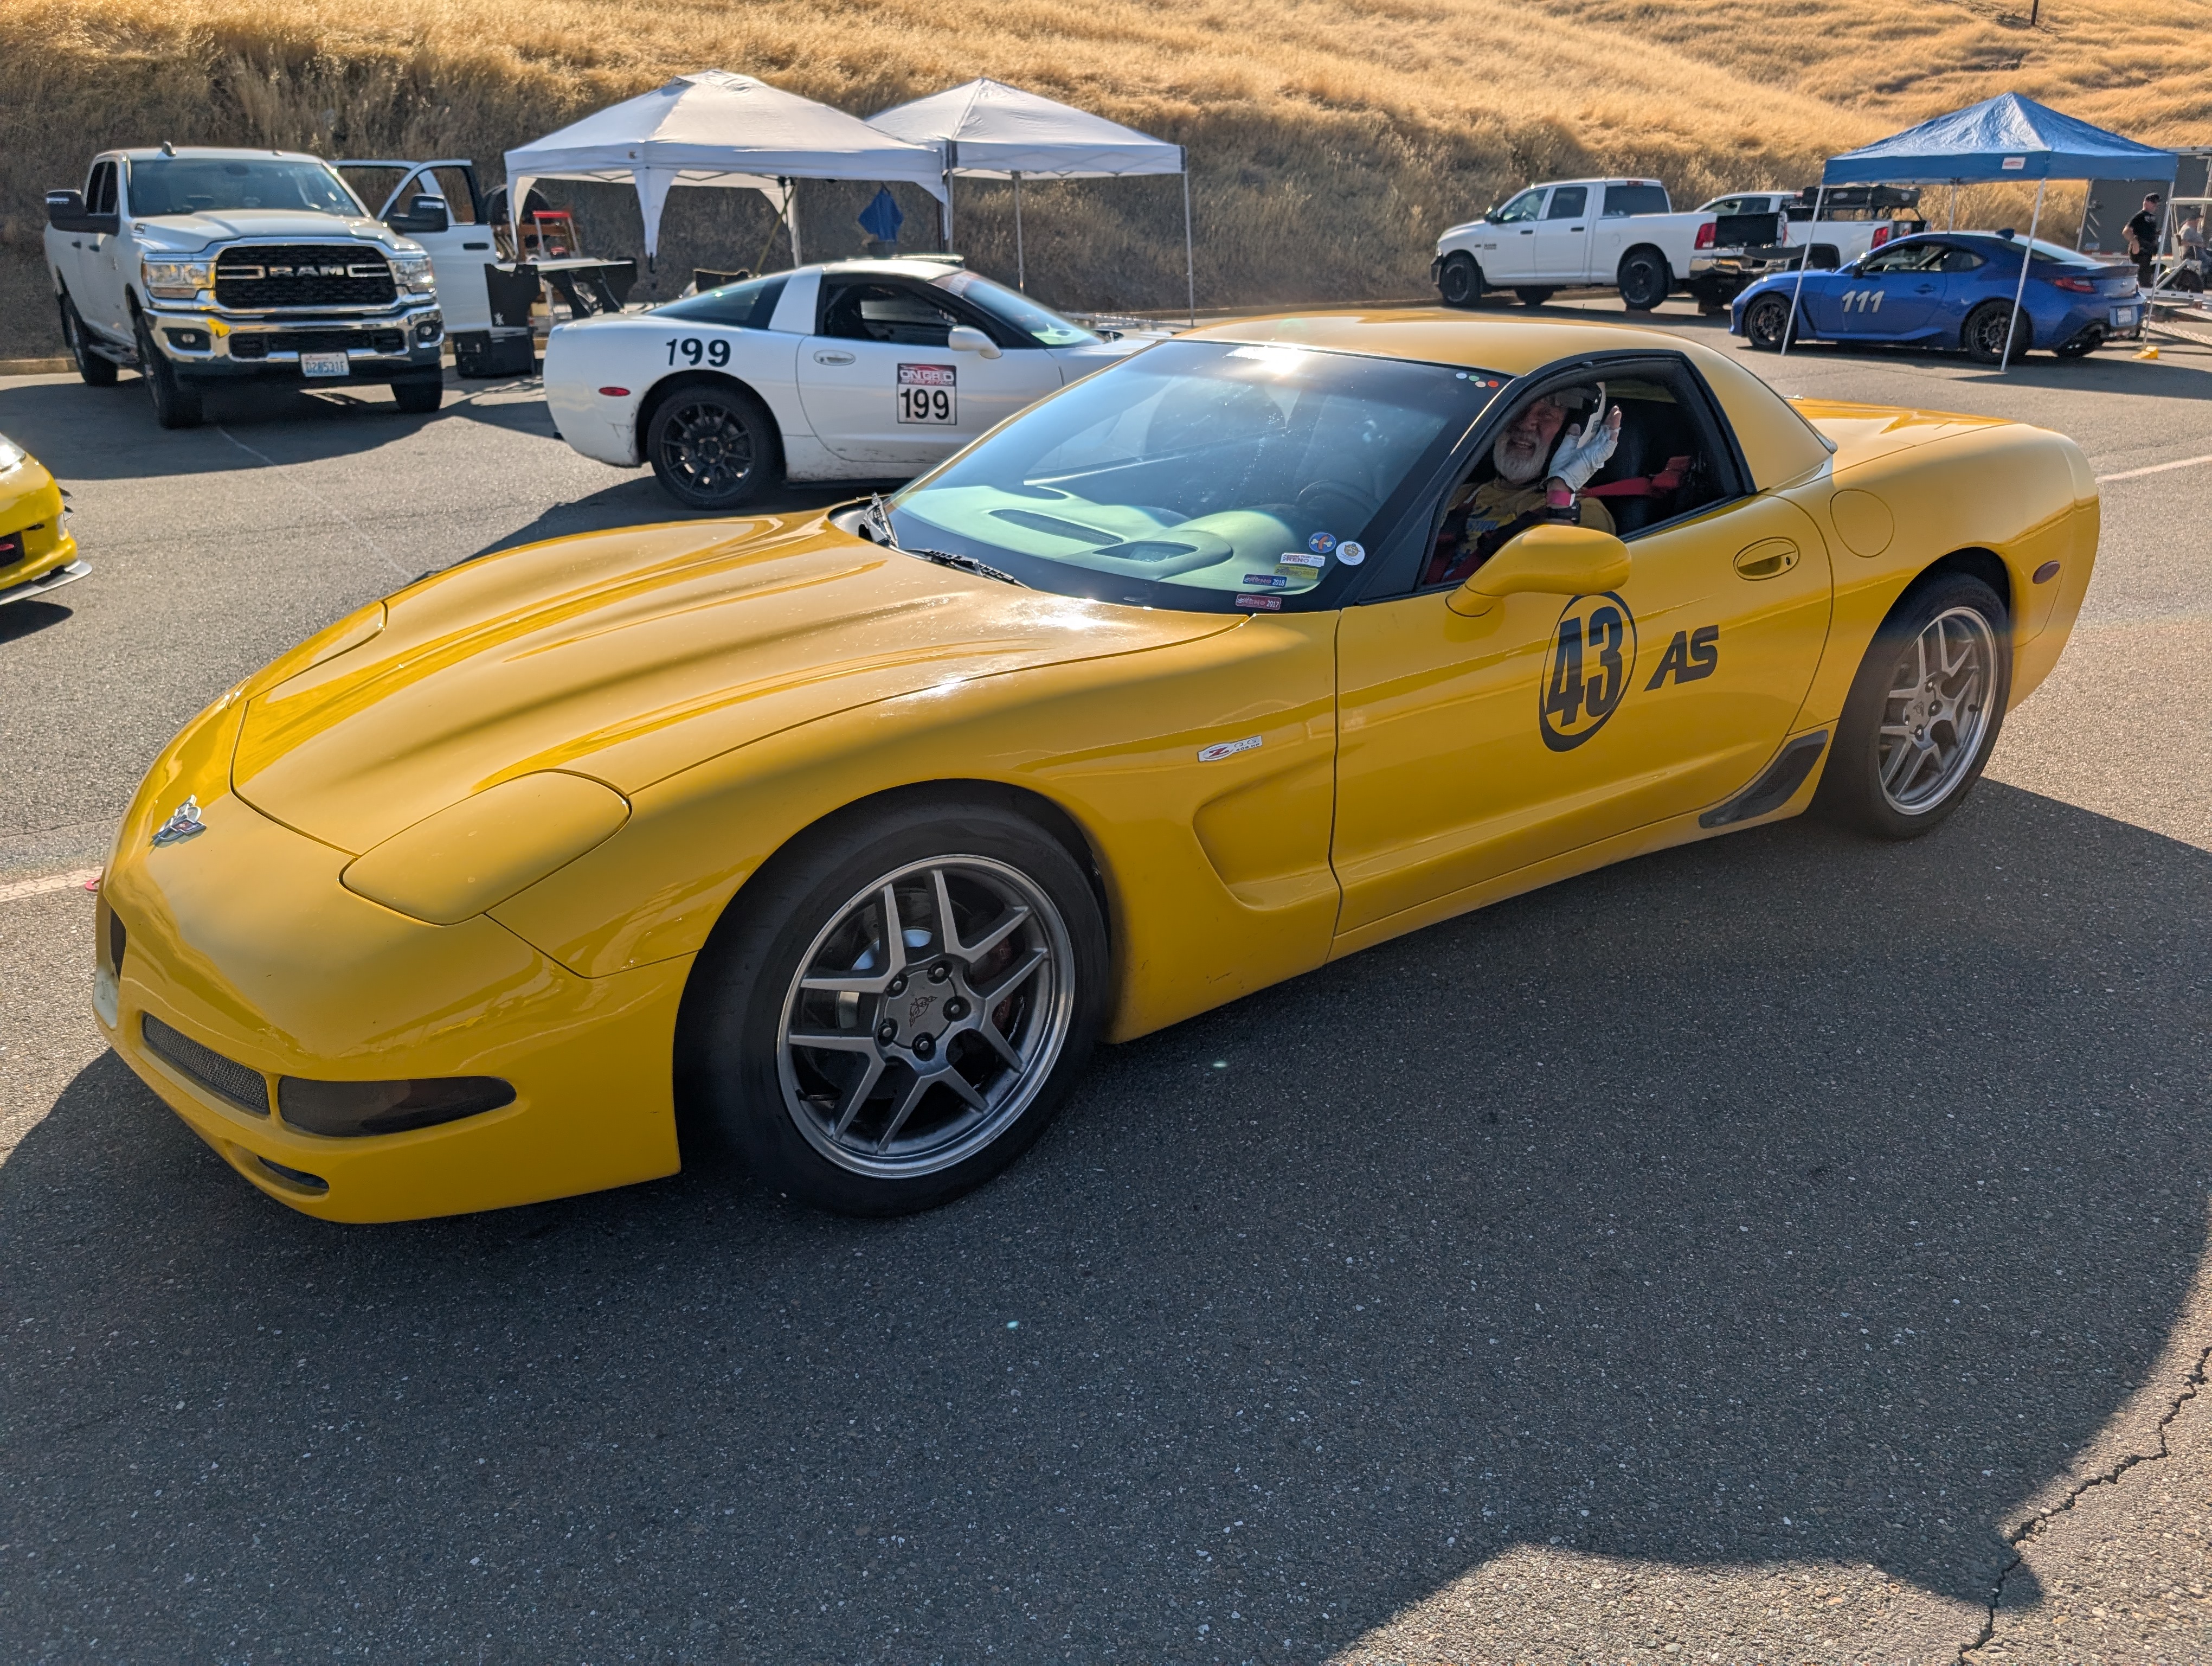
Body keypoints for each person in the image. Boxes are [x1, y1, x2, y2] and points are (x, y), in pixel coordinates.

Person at [1436, 387, 1621, 582]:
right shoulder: (1458, 495)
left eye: (1547, 414)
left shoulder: (1583, 512)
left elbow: (1565, 584)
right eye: (1518, 409)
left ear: (1575, 429)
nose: (1525, 425)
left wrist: (1561, 491)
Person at [2126, 193, 2164, 289]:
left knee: (2146, 275)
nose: (2156, 206)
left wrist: (2156, 234)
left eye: (2157, 204)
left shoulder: (2152, 217)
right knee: (2143, 277)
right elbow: (2126, 232)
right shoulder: (2140, 216)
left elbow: (2146, 232)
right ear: (2146, 203)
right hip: (2141, 249)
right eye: (2153, 203)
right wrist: (2135, 243)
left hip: (2148, 249)